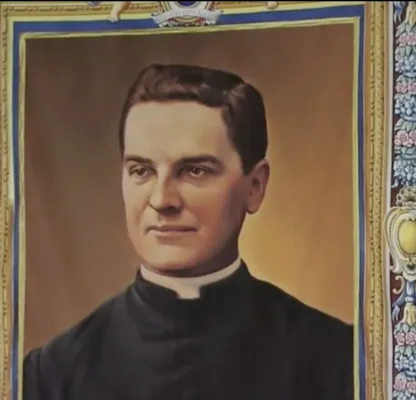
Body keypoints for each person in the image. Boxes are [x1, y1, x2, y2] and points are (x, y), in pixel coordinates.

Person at [23, 63, 354, 400]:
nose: (162, 200)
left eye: (194, 171)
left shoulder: (339, 360)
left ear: (255, 186)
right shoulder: (53, 374)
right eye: (141, 171)